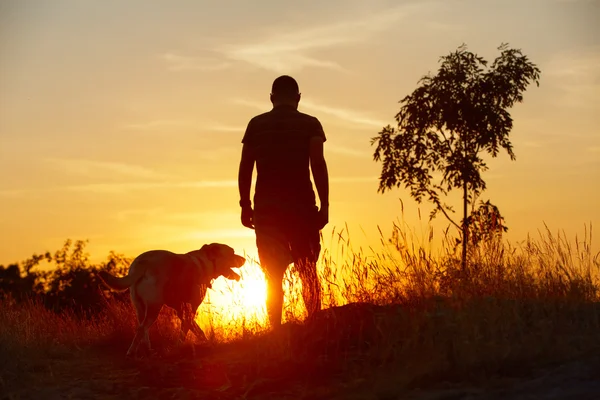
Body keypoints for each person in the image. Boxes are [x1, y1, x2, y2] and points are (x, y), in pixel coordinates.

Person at [237, 75, 329, 328]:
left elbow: (246, 167)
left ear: (271, 97)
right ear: (298, 98)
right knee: (307, 271)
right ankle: (315, 327)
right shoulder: (310, 124)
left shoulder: (257, 125)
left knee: (272, 275)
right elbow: (318, 164)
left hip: (267, 212)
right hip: (302, 209)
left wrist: (245, 205)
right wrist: (325, 206)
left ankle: (275, 333)